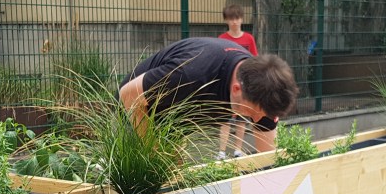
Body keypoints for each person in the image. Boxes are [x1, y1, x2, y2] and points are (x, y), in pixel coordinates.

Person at [118, 37, 297, 154]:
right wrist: (153, 155)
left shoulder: (262, 89)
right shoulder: (190, 73)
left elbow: (268, 160)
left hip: (173, 122)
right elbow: (128, 95)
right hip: (133, 113)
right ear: (236, 89)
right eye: (251, 113)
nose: (256, 120)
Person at [217, 5, 258, 158]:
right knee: (225, 118)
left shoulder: (249, 39)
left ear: (241, 19)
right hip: (226, 85)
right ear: (226, 20)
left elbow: (253, 60)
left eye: (237, 18)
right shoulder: (222, 39)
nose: (234, 21)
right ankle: (221, 152)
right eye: (231, 18)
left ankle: (238, 150)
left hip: (243, 84)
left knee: (241, 118)